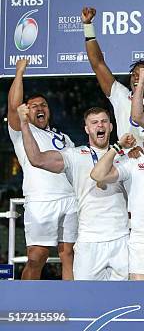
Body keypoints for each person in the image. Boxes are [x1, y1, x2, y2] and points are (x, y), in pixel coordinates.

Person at [18, 105, 129, 280]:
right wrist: (24, 124)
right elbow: (36, 159)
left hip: (122, 239)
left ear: (111, 126)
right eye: (94, 123)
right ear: (86, 129)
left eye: (104, 122)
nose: (100, 126)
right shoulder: (75, 155)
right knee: (85, 301)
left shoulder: (126, 156)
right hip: (88, 241)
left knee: (125, 299)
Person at [7, 58, 77, 280]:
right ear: (27, 112)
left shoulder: (64, 138)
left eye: (43, 105)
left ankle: (72, 301)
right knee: (37, 256)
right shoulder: (22, 131)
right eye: (34, 105)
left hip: (69, 199)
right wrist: (20, 72)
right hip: (40, 200)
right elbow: (13, 106)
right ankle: (25, 301)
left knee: (69, 254)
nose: (39, 108)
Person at [90, 127, 144, 281]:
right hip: (141, 244)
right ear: (143, 144)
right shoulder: (132, 163)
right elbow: (97, 174)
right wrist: (117, 147)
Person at [82, 7, 144, 144]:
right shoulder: (121, 95)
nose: (138, 77)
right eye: (134, 74)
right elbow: (98, 64)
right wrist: (88, 27)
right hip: (125, 161)